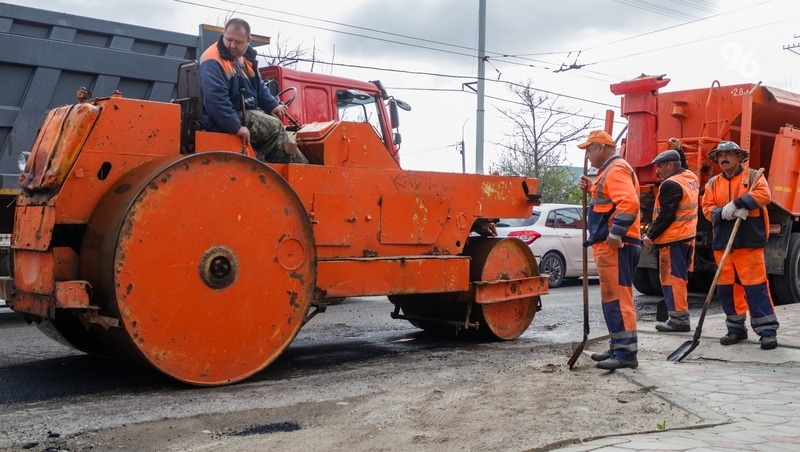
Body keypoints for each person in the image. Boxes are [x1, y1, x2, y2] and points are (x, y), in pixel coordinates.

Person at [701, 141, 779, 350]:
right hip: (723, 243)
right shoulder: (712, 183)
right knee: (727, 289)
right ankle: (735, 329)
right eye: (720, 156)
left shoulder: (753, 176)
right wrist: (723, 212)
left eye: (728, 154)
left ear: (739, 157)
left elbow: (764, 195)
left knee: (756, 288)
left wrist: (738, 203)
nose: (723, 158)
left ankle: (767, 331)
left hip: (748, 242)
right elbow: (707, 209)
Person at [199, 18, 306, 163]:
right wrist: (235, 127)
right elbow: (215, 101)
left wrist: (272, 105)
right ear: (223, 34)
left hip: (240, 113)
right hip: (219, 118)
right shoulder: (213, 60)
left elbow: (258, 87)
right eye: (229, 39)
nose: (232, 45)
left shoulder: (247, 59)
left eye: (238, 42)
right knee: (274, 128)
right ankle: (300, 170)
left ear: (248, 40)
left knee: (273, 122)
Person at [578, 130, 642, 370]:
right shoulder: (611, 171)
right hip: (613, 245)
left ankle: (626, 353)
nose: (587, 155)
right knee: (612, 298)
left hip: (615, 245)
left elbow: (629, 203)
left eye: (589, 149)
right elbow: (611, 202)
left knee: (617, 299)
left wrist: (615, 234)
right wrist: (592, 188)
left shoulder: (615, 170)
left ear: (601, 147)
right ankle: (618, 346)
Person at [642, 147, 699, 333]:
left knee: (672, 281)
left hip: (672, 239)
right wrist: (679, 150)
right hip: (687, 237)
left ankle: (678, 320)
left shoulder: (670, 184)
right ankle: (679, 317)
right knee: (680, 279)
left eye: (660, 166)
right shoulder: (690, 177)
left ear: (670, 165)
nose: (657, 171)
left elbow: (666, 215)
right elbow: (685, 167)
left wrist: (650, 235)